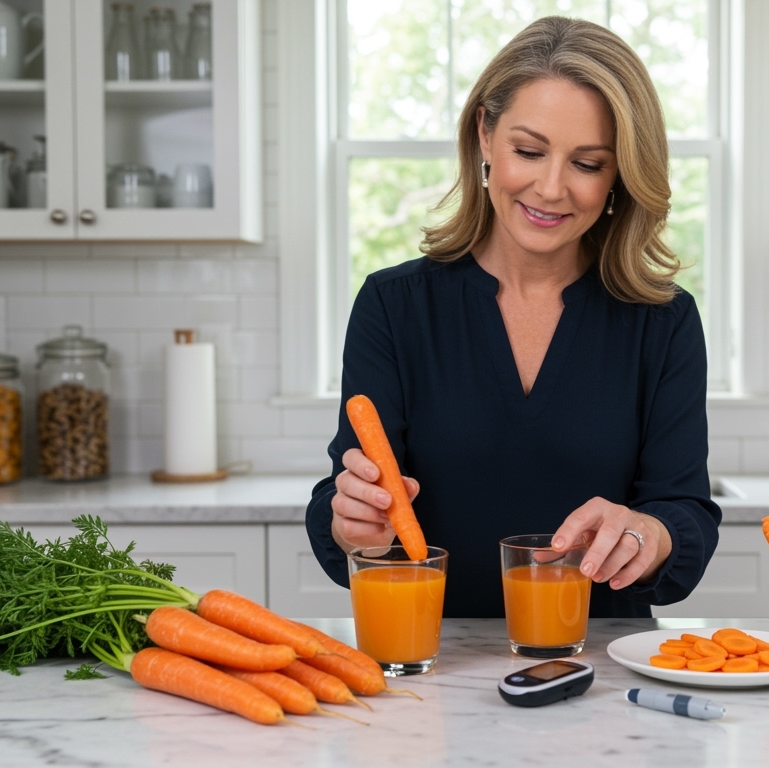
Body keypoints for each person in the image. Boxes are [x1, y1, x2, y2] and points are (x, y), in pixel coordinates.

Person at [305, 16, 719, 618]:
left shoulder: (664, 321)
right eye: (529, 151)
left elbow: (683, 511)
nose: (551, 188)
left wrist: (648, 536)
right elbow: (343, 500)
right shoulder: (392, 307)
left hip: (602, 674)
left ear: (619, 176)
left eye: (587, 163)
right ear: (484, 136)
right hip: (431, 670)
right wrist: (353, 529)